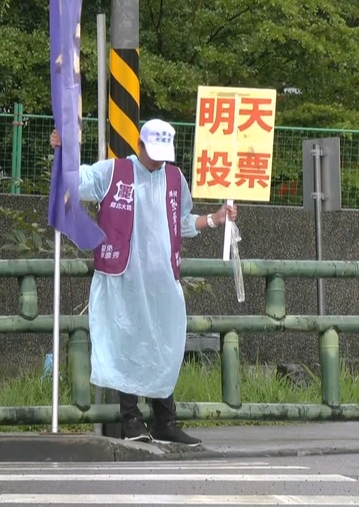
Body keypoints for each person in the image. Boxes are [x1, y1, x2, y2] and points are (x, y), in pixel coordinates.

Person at [49, 119, 237, 445]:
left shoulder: (175, 178)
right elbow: (76, 183)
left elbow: (182, 222)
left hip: (162, 280)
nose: (159, 160)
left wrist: (214, 219)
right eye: (153, 153)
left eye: (164, 154)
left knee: (164, 343)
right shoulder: (114, 171)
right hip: (123, 276)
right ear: (139, 145)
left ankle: (165, 420)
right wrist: (64, 150)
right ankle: (131, 420)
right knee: (127, 342)